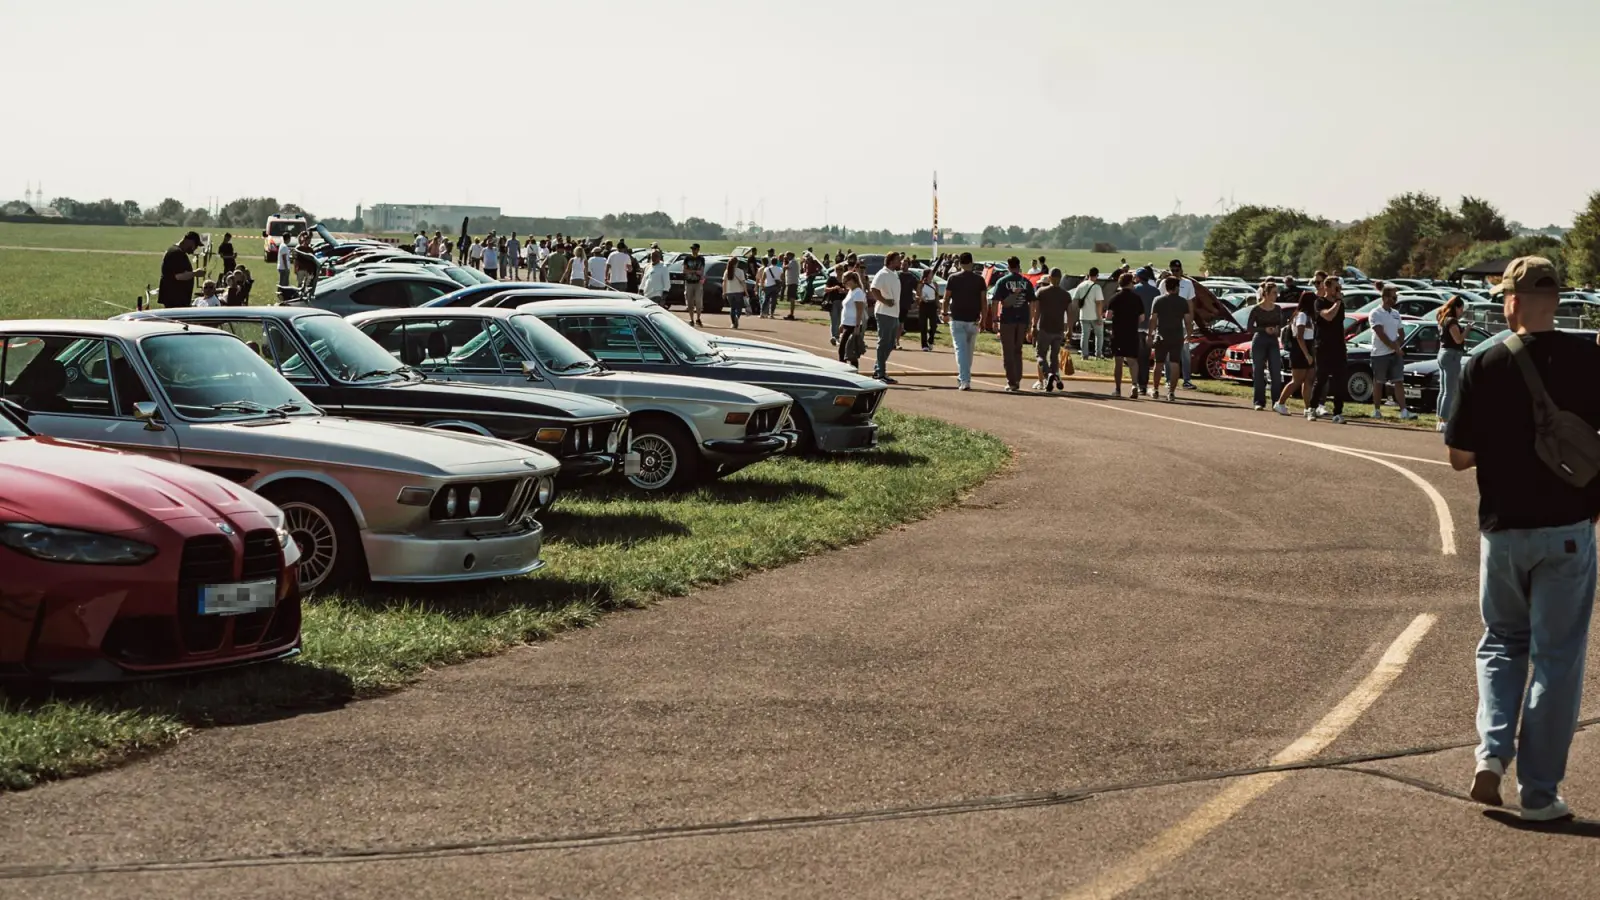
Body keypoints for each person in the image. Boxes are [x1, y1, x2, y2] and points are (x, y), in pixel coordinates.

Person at [1447, 256, 1600, 821]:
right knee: (1557, 660)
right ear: (1556, 300)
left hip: (1504, 531)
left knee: (1501, 643)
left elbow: (1459, 457)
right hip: (1568, 530)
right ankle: (1540, 793)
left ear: (1511, 300)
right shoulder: (1591, 358)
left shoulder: (1484, 363)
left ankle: (1490, 755)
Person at [1367, 286, 1417, 421]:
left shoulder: (1395, 313)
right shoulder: (1375, 313)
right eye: (1393, 297)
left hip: (1395, 353)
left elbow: (1401, 333)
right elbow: (1380, 334)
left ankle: (1404, 411)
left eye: (1396, 297)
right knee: (1379, 382)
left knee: (1399, 381)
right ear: (1385, 298)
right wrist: (1395, 347)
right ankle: (1376, 410)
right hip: (1380, 354)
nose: (1395, 300)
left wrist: (1397, 345)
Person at [989, 256, 1036, 393]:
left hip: (1007, 320)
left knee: (1008, 351)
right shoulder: (1026, 282)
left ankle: (1012, 381)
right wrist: (1031, 321)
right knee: (1018, 350)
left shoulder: (1003, 281)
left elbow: (996, 301)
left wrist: (994, 320)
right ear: (1018, 266)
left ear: (1008, 266)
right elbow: (1032, 302)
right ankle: (1018, 378)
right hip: (1022, 319)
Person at [1308, 275, 1349, 423]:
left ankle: (1337, 413)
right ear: (1327, 287)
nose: (1338, 290)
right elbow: (1328, 316)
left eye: (1339, 287)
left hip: (1338, 347)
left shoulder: (1340, 305)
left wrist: (1338, 302)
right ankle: (1312, 408)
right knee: (1321, 379)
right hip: (1323, 346)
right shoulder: (1319, 302)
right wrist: (1338, 301)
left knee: (1340, 381)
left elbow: (1339, 324)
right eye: (1335, 288)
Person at [943, 252, 985, 391]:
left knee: (961, 350)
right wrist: (984, 317)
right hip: (973, 319)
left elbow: (947, 297)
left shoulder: (953, 278)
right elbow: (983, 301)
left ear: (959, 264)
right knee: (968, 351)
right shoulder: (979, 280)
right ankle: (964, 377)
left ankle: (964, 379)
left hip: (957, 318)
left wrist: (944, 313)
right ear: (972, 263)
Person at [1149, 276, 1192, 402]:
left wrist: (1150, 334)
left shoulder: (1158, 300)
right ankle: (1171, 392)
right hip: (1177, 335)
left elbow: (1153, 319)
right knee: (1175, 363)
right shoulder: (1183, 302)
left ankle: (1156, 389)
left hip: (1162, 335)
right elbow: (1188, 320)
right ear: (1177, 287)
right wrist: (1189, 333)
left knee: (1159, 363)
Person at [1277, 288, 1318, 415]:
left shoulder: (1310, 317)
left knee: (1309, 379)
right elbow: (1299, 337)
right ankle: (1280, 403)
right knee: (1297, 380)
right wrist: (1307, 355)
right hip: (1300, 350)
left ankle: (1307, 407)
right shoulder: (1301, 316)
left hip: (1309, 348)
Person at [1032, 268, 1073, 392]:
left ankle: (1048, 374)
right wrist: (1069, 329)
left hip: (1045, 328)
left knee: (1040, 355)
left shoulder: (1041, 292)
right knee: (1054, 356)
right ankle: (1055, 376)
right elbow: (1070, 313)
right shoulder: (1066, 295)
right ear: (1060, 279)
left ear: (1049, 278)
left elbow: (1037, 311)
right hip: (1059, 329)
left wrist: (1034, 326)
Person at [1105, 272, 1145, 398]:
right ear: (1129, 283)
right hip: (1132, 332)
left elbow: (1108, 316)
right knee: (1133, 361)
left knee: (1118, 361)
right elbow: (1142, 317)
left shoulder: (1115, 298)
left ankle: (1118, 389)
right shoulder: (1137, 298)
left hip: (1118, 332)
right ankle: (1134, 385)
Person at [1247, 281, 1285, 411]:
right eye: (1274, 292)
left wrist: (1276, 331)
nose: (1276, 295)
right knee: (1258, 371)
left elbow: (1281, 326)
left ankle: (1277, 402)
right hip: (1259, 341)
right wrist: (1264, 330)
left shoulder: (1278, 309)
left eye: (1276, 292)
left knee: (1275, 371)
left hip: (1273, 341)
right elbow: (1250, 328)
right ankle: (1259, 401)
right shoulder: (1256, 309)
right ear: (1266, 294)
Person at [869, 251, 903, 384]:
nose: (900, 262)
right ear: (891, 261)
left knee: (890, 343)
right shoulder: (882, 273)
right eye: (898, 260)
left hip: (894, 313)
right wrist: (884, 301)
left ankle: (879, 369)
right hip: (884, 313)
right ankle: (880, 373)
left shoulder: (894, 274)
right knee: (883, 342)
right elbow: (874, 289)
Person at [1436, 295, 1468, 433]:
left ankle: (1440, 420)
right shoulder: (1452, 321)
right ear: (1456, 308)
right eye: (1461, 309)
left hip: (1443, 353)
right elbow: (1458, 340)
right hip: (1452, 355)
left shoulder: (1443, 319)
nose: (1462, 312)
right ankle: (1445, 421)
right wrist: (1467, 330)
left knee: (1443, 390)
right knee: (1449, 391)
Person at [1168, 260, 1202, 389]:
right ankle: (1168, 379)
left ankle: (1187, 380)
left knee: (1185, 352)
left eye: (1177, 270)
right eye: (1172, 270)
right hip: (1168, 323)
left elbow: (1190, 304)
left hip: (1183, 323)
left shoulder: (1187, 284)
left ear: (1181, 270)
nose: (1175, 273)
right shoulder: (1164, 284)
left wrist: (1190, 324)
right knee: (1168, 353)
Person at [1131, 267, 1160, 397]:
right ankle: (1143, 385)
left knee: (1135, 357)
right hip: (1150, 328)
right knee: (1145, 358)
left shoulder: (1135, 290)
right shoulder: (1156, 291)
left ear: (1138, 277)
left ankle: (1135, 383)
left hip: (1136, 327)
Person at [1071, 268, 1105, 358]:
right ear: (1097, 275)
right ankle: (1098, 354)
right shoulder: (1096, 287)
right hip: (1094, 315)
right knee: (1099, 335)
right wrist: (1099, 317)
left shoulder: (1081, 285)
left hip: (1084, 315)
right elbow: (1099, 303)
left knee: (1084, 335)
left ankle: (1084, 354)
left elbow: (1074, 301)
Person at [838, 272, 868, 369]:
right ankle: (845, 369)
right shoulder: (851, 291)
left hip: (852, 325)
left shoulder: (858, 292)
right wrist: (842, 323)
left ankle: (850, 370)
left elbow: (859, 310)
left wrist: (857, 326)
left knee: (848, 350)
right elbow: (846, 309)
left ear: (853, 280)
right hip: (847, 324)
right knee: (845, 350)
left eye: (846, 281)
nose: (844, 283)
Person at [682, 243, 707, 326]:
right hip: (689, 282)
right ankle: (691, 319)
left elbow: (701, 271)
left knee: (698, 301)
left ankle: (698, 318)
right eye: (692, 249)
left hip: (698, 283)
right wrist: (694, 271)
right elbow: (685, 270)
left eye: (695, 249)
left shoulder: (701, 259)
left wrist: (697, 273)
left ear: (698, 249)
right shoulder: (687, 258)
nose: (693, 250)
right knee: (690, 302)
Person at [821, 263, 846, 345]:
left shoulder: (845, 280)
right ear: (835, 271)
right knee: (834, 319)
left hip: (843, 302)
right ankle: (834, 337)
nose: (839, 271)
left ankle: (838, 336)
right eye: (837, 270)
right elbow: (825, 289)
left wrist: (843, 290)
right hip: (833, 301)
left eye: (841, 270)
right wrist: (833, 288)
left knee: (841, 320)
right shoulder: (832, 279)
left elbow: (849, 290)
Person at [722, 255, 748, 328]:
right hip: (739, 291)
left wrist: (724, 292)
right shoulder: (740, 271)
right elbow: (743, 282)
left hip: (729, 292)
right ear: (736, 263)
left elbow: (724, 282)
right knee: (739, 307)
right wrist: (746, 292)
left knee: (732, 308)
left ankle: (733, 323)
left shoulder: (727, 271)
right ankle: (737, 316)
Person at [918, 268, 940, 351]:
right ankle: (924, 345)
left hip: (932, 305)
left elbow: (937, 296)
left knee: (934, 325)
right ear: (926, 275)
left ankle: (930, 340)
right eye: (931, 273)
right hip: (923, 305)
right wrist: (921, 298)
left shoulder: (935, 284)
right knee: (923, 325)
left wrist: (939, 306)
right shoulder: (921, 284)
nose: (932, 275)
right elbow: (918, 294)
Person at [783, 251, 800, 319]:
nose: (786, 257)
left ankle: (791, 314)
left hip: (792, 282)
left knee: (792, 298)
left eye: (787, 256)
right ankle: (791, 313)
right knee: (791, 298)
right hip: (791, 282)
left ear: (790, 256)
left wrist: (784, 261)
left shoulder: (793, 262)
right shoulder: (792, 262)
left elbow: (785, 267)